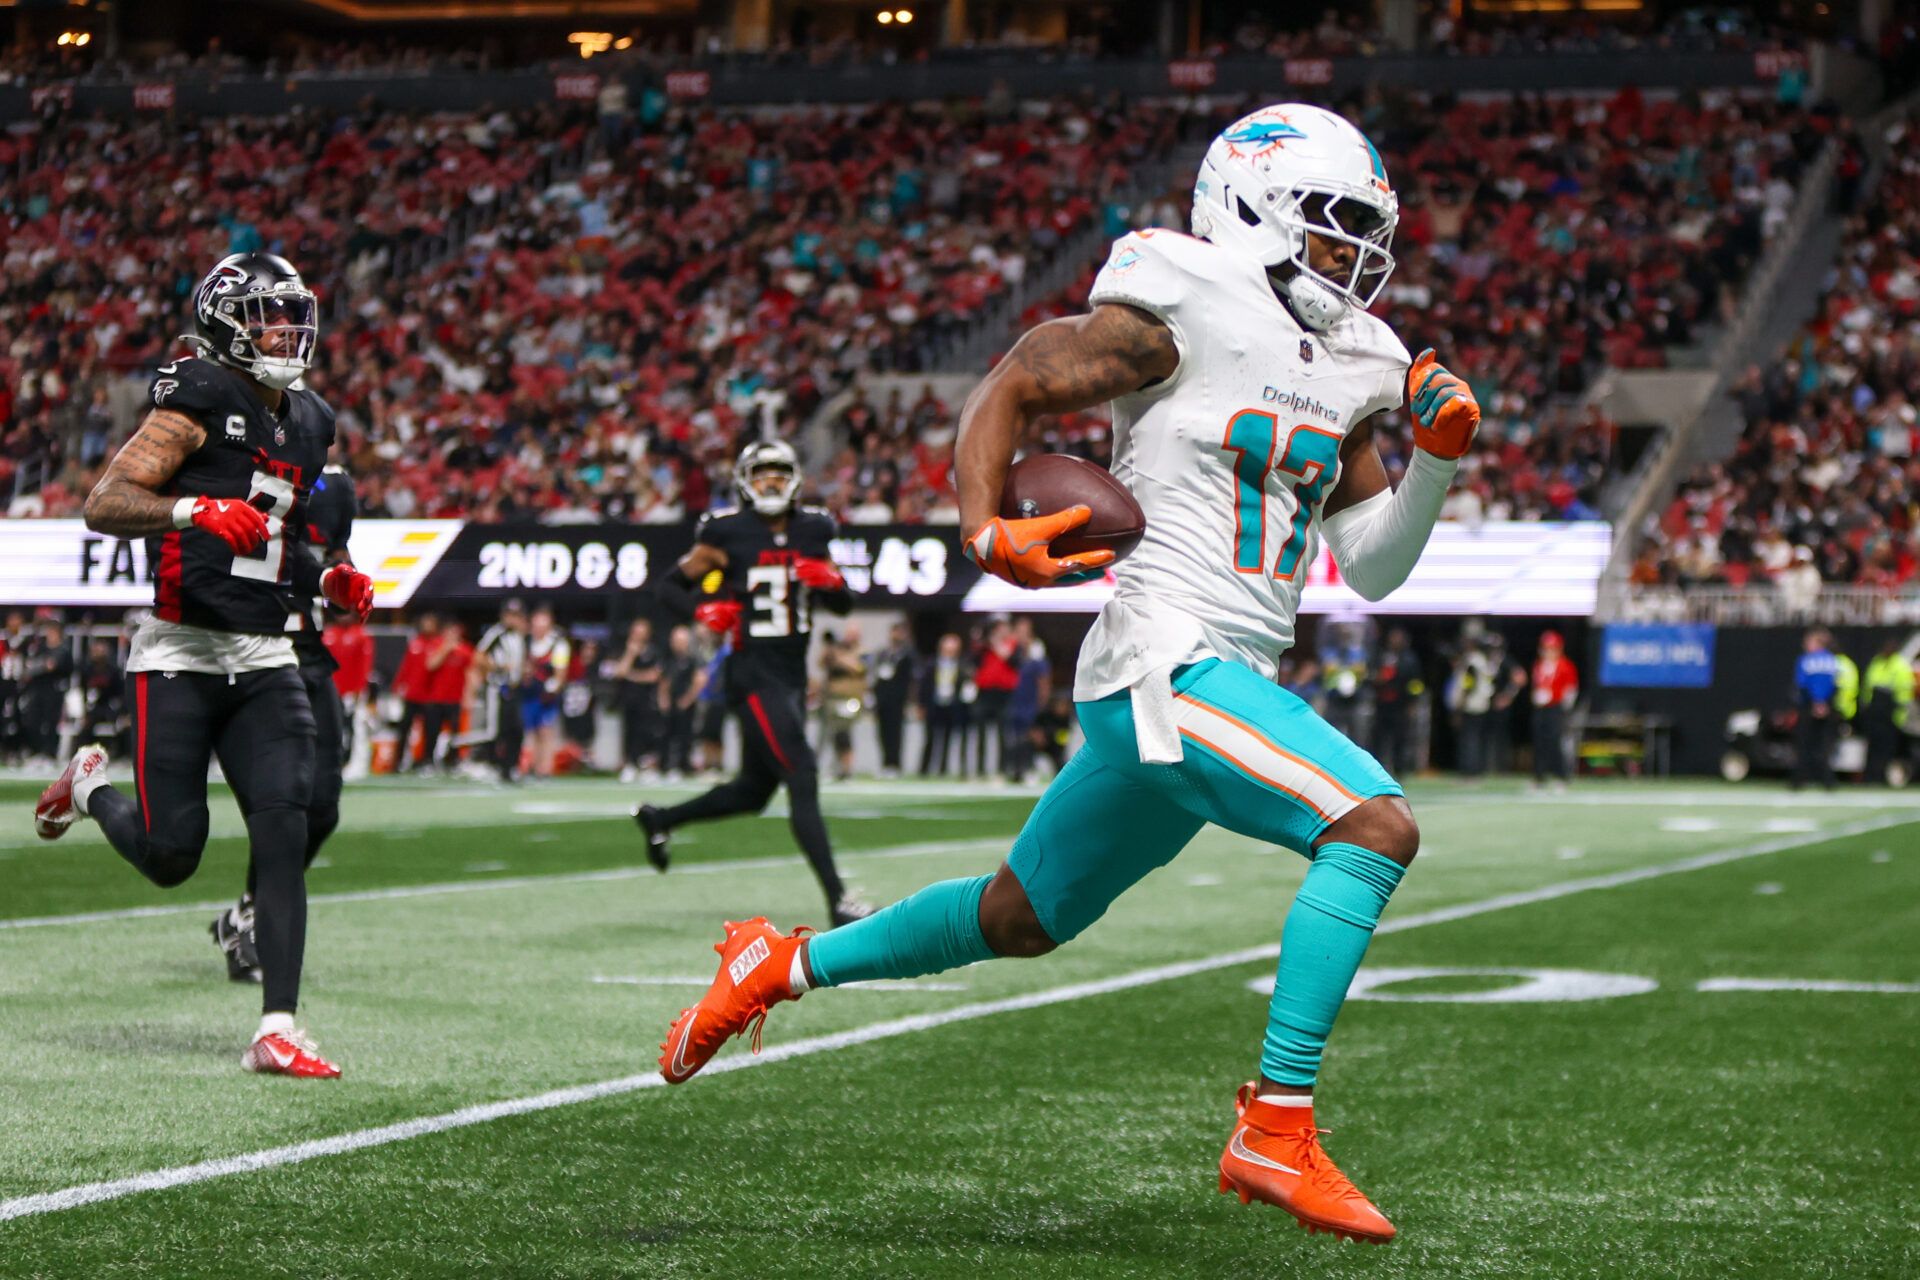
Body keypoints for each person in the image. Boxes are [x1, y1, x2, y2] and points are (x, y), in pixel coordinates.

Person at [657, 105, 1482, 1243]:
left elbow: (1375, 564)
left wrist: (1433, 462)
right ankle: (1276, 1125)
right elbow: (1015, 381)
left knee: (1021, 914)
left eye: (1366, 235)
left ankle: (781, 962)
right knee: (1373, 827)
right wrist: (983, 523)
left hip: (1215, 668)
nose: (1356, 258)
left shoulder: (1358, 363)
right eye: (1334, 227)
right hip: (1165, 654)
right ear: (1256, 205)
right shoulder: (1187, 298)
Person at [33, 251, 374, 1078]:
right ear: (226, 321)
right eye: (265, 316)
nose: (284, 332)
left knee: (287, 828)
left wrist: (323, 579)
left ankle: (278, 1027)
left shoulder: (311, 419)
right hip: (181, 651)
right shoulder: (199, 394)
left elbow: (276, 547)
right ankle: (88, 786)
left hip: (265, 654)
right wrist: (193, 507)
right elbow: (104, 503)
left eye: (292, 316)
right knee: (171, 853)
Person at [633, 440, 873, 926]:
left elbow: (843, 605)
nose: (770, 483)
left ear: (795, 480)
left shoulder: (814, 529)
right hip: (752, 672)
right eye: (761, 474)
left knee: (753, 790)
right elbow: (667, 587)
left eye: (779, 474)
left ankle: (661, 819)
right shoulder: (727, 533)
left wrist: (831, 583)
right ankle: (839, 900)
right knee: (801, 772)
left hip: (789, 674)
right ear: (745, 481)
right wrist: (703, 611)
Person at [209, 461, 362, 984]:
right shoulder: (236, 461)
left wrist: (343, 581)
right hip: (254, 652)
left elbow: (335, 560)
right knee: (279, 806)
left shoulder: (332, 479)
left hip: (310, 657)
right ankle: (252, 919)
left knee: (322, 808)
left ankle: (248, 907)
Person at [463, 599, 528, 782]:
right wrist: (499, 667)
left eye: (516, 615)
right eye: (510, 615)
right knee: (496, 730)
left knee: (516, 730)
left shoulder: (519, 636)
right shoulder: (497, 633)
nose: (512, 619)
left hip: (514, 689)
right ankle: (489, 763)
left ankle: (510, 768)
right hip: (497, 688)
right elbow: (479, 656)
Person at [1526, 630, 1579, 791]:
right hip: (1540, 708)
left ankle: (1561, 776)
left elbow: (1571, 689)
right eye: (1545, 648)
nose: (1547, 651)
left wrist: (1565, 706)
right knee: (1539, 742)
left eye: (1551, 648)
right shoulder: (1539, 665)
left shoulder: (1565, 666)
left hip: (1556, 708)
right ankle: (1539, 777)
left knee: (1556, 742)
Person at [613, 618, 664, 782]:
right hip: (628, 699)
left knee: (647, 733)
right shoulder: (624, 649)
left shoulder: (654, 651)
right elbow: (620, 672)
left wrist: (632, 675)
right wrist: (630, 653)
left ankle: (647, 766)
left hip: (648, 700)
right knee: (629, 732)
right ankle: (630, 765)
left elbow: (653, 676)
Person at [522, 606, 570, 777]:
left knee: (545, 730)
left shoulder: (558, 644)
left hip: (546, 694)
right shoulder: (526, 641)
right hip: (529, 692)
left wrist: (551, 690)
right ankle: (531, 766)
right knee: (531, 731)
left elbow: (560, 672)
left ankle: (545, 768)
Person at [917, 632, 973, 777]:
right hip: (934, 704)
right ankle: (924, 768)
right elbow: (924, 686)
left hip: (951, 705)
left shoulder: (961, 665)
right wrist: (921, 704)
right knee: (930, 738)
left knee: (947, 738)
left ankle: (943, 768)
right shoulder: (931, 664)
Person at [1369, 627, 1422, 778]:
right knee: (1379, 739)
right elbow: (1371, 676)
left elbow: (1415, 683)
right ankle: (1378, 770)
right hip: (1382, 704)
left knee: (1400, 738)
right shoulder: (1381, 656)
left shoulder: (1409, 659)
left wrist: (1413, 702)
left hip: (1400, 705)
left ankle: (1400, 770)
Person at [1003, 619, 1052, 782]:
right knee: (1013, 739)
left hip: (1030, 703)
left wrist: (1042, 703)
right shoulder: (1014, 653)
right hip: (1014, 702)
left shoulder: (1036, 652)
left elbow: (1043, 679)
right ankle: (1014, 771)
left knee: (1029, 738)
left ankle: (1029, 769)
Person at [1862, 638, 1915, 784]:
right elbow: (1869, 686)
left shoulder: (1900, 665)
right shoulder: (1877, 662)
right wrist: (1867, 706)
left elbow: (1904, 691)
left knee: (1887, 748)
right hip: (1875, 712)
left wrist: (1899, 712)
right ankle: (1870, 777)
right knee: (1873, 747)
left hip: (1890, 714)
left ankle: (1882, 777)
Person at [1792, 628, 1840, 791]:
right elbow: (1835, 684)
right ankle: (1827, 781)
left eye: (1809, 642)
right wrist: (1824, 703)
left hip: (1809, 706)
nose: (1805, 645)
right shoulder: (1833, 660)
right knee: (1824, 746)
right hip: (1828, 706)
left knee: (1805, 744)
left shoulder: (1805, 660)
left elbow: (1802, 684)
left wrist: (1815, 703)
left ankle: (1800, 780)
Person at [818, 623, 867, 782]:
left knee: (845, 733)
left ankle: (847, 769)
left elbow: (860, 669)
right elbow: (821, 664)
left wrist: (841, 658)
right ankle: (835, 766)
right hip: (833, 697)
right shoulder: (837, 651)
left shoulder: (862, 651)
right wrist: (829, 649)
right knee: (832, 733)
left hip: (850, 697)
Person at [869, 622, 918, 778]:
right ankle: (885, 763)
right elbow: (876, 675)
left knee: (896, 733)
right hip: (882, 699)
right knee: (882, 733)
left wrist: (909, 700)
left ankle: (895, 764)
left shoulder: (907, 655)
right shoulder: (883, 653)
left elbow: (911, 679)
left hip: (897, 700)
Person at [659, 625, 701, 779]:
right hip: (672, 701)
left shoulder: (693, 659)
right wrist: (663, 699)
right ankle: (665, 765)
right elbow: (664, 681)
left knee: (685, 735)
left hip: (685, 702)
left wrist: (688, 698)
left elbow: (699, 680)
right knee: (666, 734)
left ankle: (684, 765)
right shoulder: (669, 659)